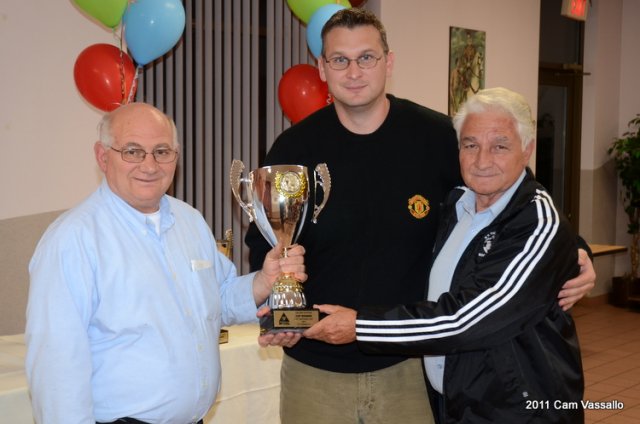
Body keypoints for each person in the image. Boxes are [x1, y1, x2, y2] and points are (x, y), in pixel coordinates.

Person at [246, 9, 594, 424]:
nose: (354, 71)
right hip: (315, 371)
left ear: (388, 63)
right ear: (322, 68)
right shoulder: (293, 148)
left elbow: (507, 185)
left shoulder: (436, 136)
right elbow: (266, 243)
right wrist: (283, 314)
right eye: (339, 59)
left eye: (367, 58)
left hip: (410, 369)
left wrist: (575, 249)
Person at [310, 87, 585, 423]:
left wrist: (361, 325)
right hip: (455, 402)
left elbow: (468, 318)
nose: (482, 161)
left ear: (527, 150)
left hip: (518, 409)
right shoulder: (456, 204)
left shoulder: (536, 221)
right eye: (470, 145)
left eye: (499, 146)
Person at [25, 103, 306, 424]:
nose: (149, 165)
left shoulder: (189, 220)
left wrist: (263, 281)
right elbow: (55, 365)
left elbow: (219, 299)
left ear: (176, 156)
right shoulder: (72, 240)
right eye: (132, 151)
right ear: (103, 157)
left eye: (162, 151)